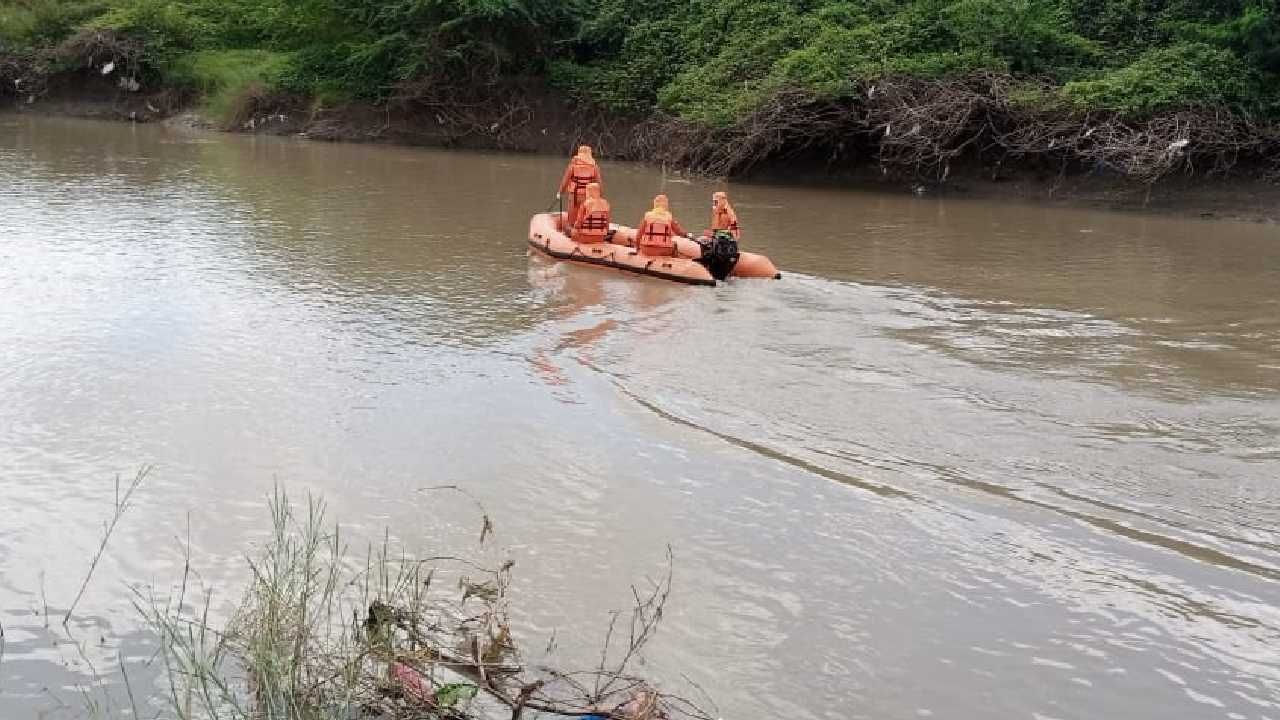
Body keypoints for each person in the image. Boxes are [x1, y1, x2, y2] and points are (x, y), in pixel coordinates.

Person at [558, 145, 601, 226]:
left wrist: (560, 193)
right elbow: (599, 183)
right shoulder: (594, 167)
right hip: (587, 197)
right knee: (584, 220)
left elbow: (565, 181)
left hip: (574, 196)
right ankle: (583, 235)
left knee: (571, 221)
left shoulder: (573, 166)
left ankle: (571, 233)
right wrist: (599, 197)